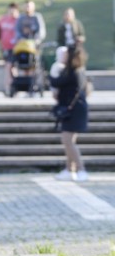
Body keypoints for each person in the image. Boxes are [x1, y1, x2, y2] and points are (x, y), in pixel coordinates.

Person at [49, 46, 89, 182]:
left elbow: (56, 82)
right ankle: (69, 169)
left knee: (67, 140)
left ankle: (81, 169)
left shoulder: (72, 72)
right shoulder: (75, 71)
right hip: (74, 109)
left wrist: (51, 71)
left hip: (73, 110)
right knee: (69, 141)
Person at [0, 2, 20, 95]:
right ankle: (12, 86)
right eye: (10, 9)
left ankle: (8, 86)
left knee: (9, 66)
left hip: (15, 48)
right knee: (10, 67)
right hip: (5, 48)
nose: (12, 11)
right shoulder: (4, 19)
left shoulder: (18, 20)